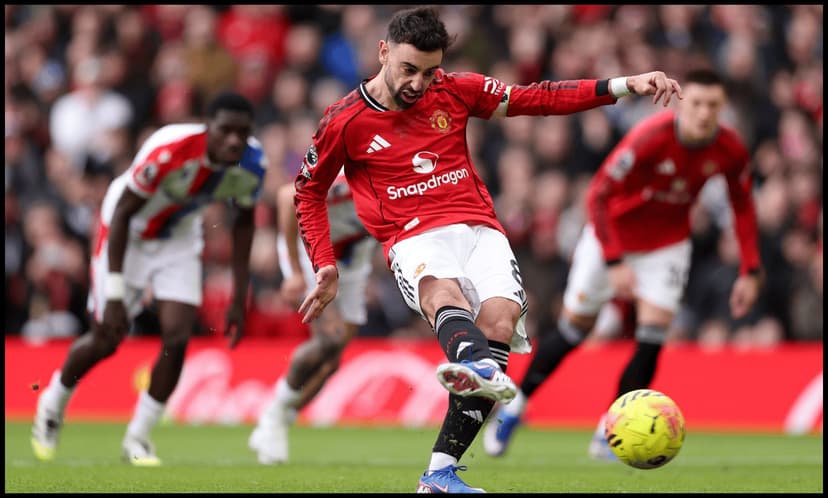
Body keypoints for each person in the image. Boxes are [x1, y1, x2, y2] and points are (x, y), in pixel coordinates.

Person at [292, 6, 682, 493]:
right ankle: (472, 363)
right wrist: (323, 263)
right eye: (408, 69)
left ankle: (438, 474)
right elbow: (307, 190)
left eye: (429, 71)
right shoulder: (344, 120)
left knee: (500, 320)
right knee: (444, 296)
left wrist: (623, 84)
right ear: (383, 52)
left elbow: (537, 99)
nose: (419, 83)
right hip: (413, 234)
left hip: (479, 227)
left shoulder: (454, 90)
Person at [483, 69, 763, 461]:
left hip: (666, 245)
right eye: (697, 103)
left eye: (713, 105)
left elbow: (743, 206)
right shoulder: (650, 137)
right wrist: (613, 261)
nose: (703, 113)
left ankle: (610, 429)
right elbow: (597, 195)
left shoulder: (730, 149)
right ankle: (515, 407)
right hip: (609, 237)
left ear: (722, 107)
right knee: (574, 329)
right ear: (684, 104)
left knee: (652, 337)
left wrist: (751, 269)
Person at [31, 91, 266, 466]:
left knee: (177, 336)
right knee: (107, 337)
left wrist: (239, 296)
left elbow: (243, 226)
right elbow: (123, 213)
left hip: (179, 235)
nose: (235, 141)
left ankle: (137, 438)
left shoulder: (253, 164)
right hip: (130, 230)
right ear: (208, 128)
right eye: (226, 131)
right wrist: (115, 293)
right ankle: (53, 402)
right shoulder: (170, 150)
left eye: (243, 132)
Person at [248, 170, 377, 464]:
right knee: (329, 338)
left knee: (332, 361)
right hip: (312, 253)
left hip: (353, 262)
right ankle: (275, 415)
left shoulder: (399, 184)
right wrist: (294, 272)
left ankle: (278, 416)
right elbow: (286, 197)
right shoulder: (346, 180)